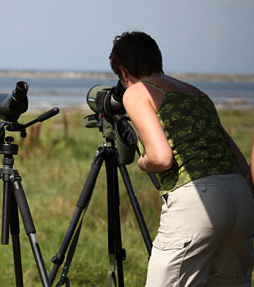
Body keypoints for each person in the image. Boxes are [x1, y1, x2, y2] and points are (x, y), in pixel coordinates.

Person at [108, 31, 254, 286]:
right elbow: (241, 163)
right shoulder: (196, 93)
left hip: (197, 200)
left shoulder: (137, 91)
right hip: (241, 199)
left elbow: (161, 158)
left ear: (122, 71)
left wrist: (143, 163)